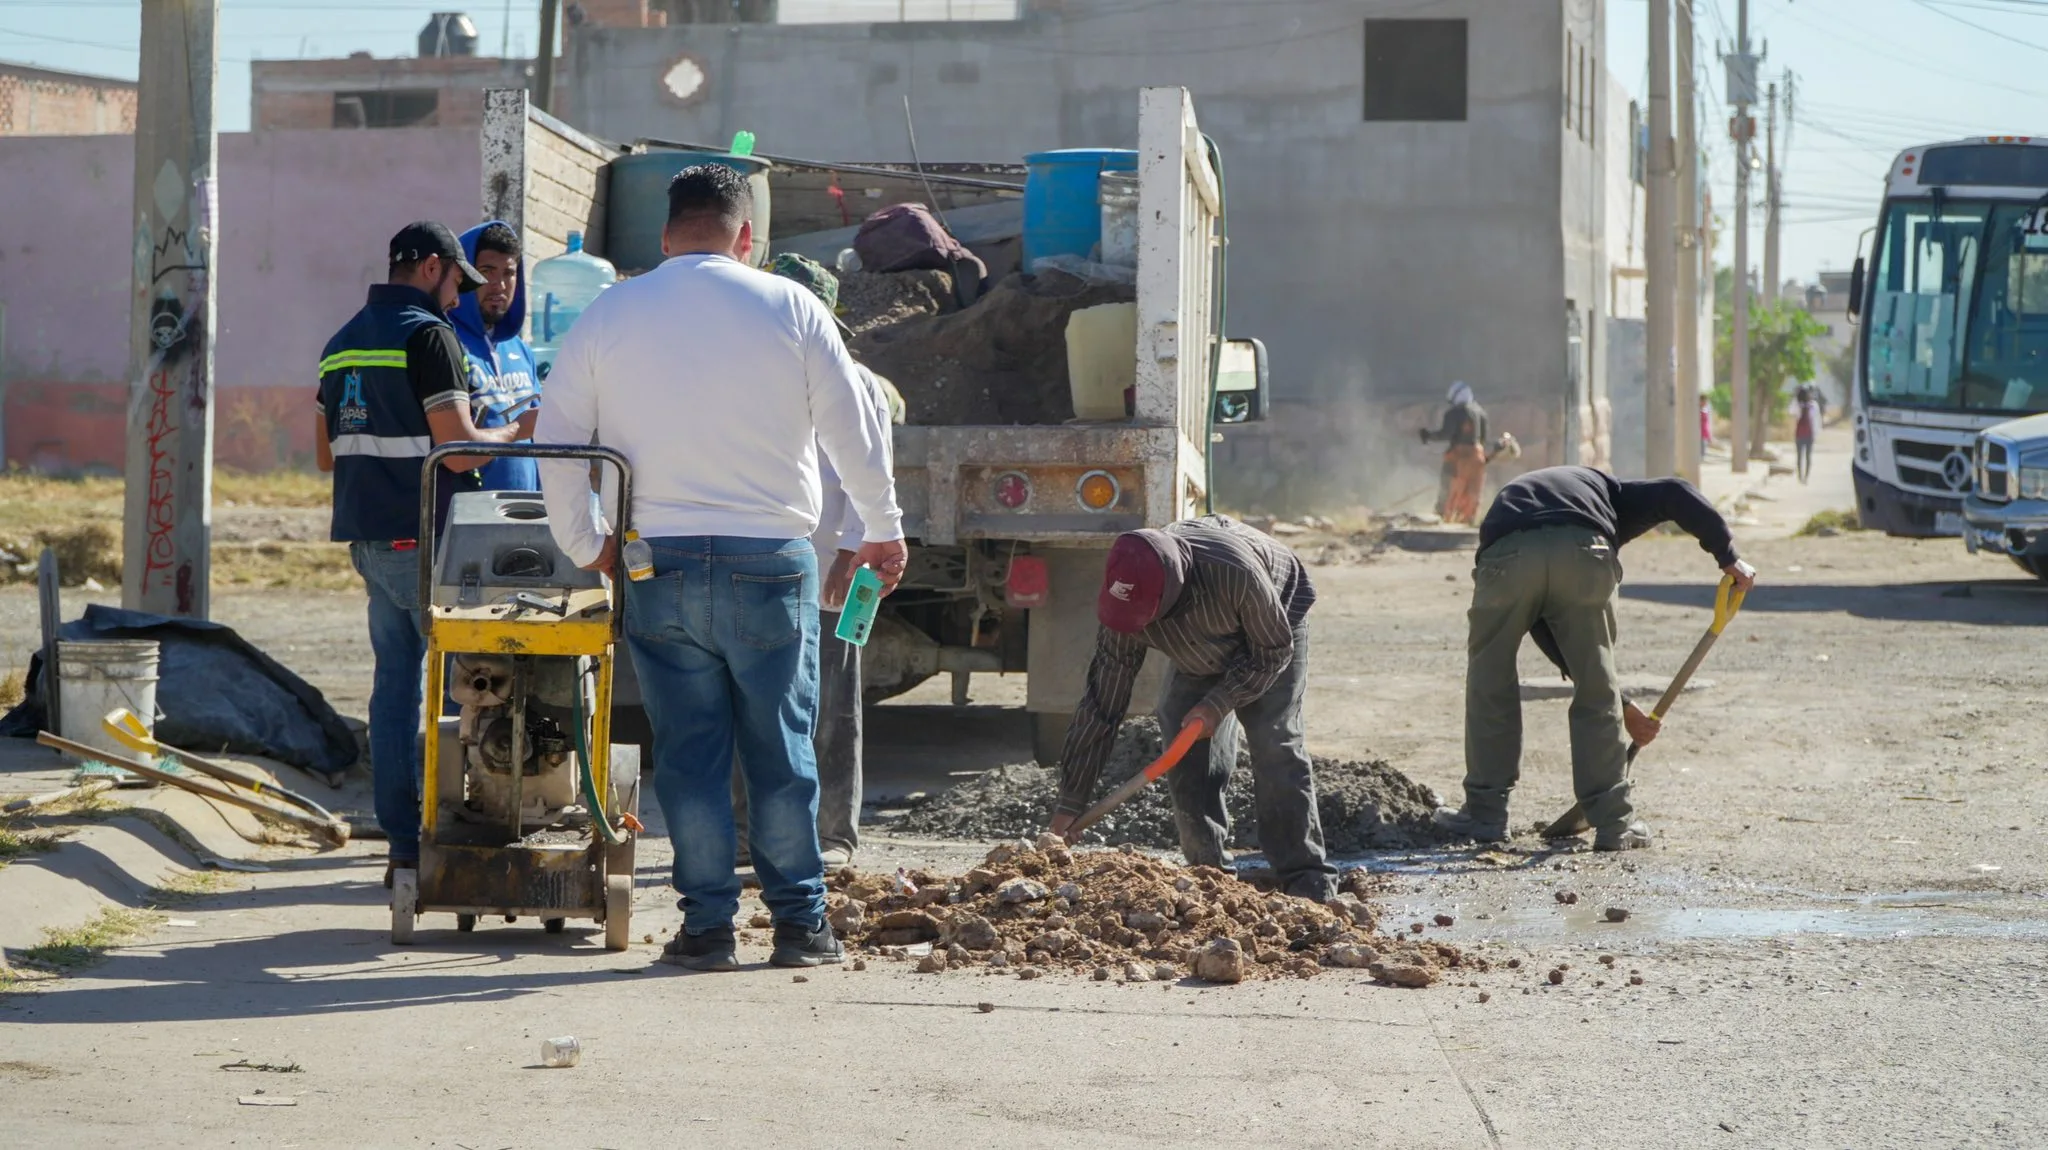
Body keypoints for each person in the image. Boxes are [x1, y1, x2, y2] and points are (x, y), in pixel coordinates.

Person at [536, 165, 905, 972]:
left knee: (690, 756)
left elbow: (555, 440)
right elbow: (851, 428)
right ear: (747, 238)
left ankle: (707, 929)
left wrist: (587, 543)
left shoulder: (609, 312)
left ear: (665, 236)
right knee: (781, 750)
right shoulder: (792, 306)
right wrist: (882, 529)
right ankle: (801, 927)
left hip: (654, 564)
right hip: (770, 562)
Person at [314, 221, 536, 888]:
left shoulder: (340, 342)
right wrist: (516, 431)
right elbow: (460, 451)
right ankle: (453, 836)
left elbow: (325, 454)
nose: (459, 298)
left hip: (371, 540)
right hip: (427, 541)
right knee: (466, 686)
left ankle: (404, 844)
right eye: (458, 282)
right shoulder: (429, 336)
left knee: (394, 689)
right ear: (434, 268)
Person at [1433, 467, 1757, 851]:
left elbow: (1546, 631)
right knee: (1596, 685)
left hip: (1509, 554)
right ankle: (1613, 822)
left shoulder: (1539, 490)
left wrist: (1628, 707)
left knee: (1490, 677)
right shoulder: (1616, 495)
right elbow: (1675, 490)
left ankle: (1485, 815)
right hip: (1585, 553)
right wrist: (1728, 556)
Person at [1046, 516, 1339, 902]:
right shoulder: (1125, 604)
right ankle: (1209, 874)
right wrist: (1070, 803)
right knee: (1181, 733)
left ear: (1171, 594)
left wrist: (1217, 704)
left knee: (1273, 741)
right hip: (1199, 642)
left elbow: (1271, 653)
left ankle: (1307, 878)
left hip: (1273, 629)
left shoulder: (1235, 571)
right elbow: (1103, 703)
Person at [732, 252, 904, 867]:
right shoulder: (749, 378)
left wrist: (852, 550)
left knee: (832, 702)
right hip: (763, 563)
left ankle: (833, 835)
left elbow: (873, 471)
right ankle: (748, 833)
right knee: (754, 699)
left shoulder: (855, 381)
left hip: (838, 566)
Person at [450, 221, 541, 493]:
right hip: (467, 510)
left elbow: (540, 438)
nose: (499, 285)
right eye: (486, 271)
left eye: (509, 273)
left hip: (526, 510)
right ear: (463, 274)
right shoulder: (446, 343)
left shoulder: (521, 350)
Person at [1420, 381, 1489, 525]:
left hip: (1458, 457)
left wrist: (1428, 436)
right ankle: (1469, 521)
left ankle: (1442, 517)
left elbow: (1446, 434)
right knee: (1472, 492)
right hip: (1478, 457)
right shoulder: (1481, 413)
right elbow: (1483, 439)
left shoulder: (1453, 413)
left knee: (1448, 488)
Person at [1794, 385, 1822, 484]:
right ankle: (1802, 476)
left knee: (1804, 456)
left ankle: (1803, 476)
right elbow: (1816, 420)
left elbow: (1816, 420)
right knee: (1803, 456)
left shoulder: (1812, 405)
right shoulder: (1803, 405)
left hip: (1804, 434)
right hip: (1804, 434)